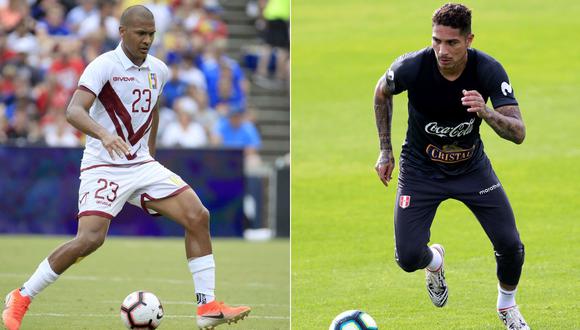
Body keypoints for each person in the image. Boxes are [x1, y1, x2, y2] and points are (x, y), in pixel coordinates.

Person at [2, 6, 250, 330]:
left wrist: (152, 155)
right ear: (123, 32)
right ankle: (21, 296)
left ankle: (208, 307)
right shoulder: (103, 66)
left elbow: (153, 109)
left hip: (142, 165)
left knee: (198, 216)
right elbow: (73, 111)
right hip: (103, 165)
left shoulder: (158, 70)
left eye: (151, 34)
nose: (147, 40)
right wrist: (104, 134)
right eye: (141, 34)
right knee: (89, 239)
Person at [373, 4, 528, 330]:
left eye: (452, 43)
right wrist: (385, 151)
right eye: (436, 41)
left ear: (469, 39)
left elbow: (518, 133)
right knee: (408, 258)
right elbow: (381, 92)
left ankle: (507, 307)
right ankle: (435, 262)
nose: (442, 51)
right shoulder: (412, 67)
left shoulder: (489, 70)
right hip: (420, 171)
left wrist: (486, 112)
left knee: (511, 245)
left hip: (471, 169)